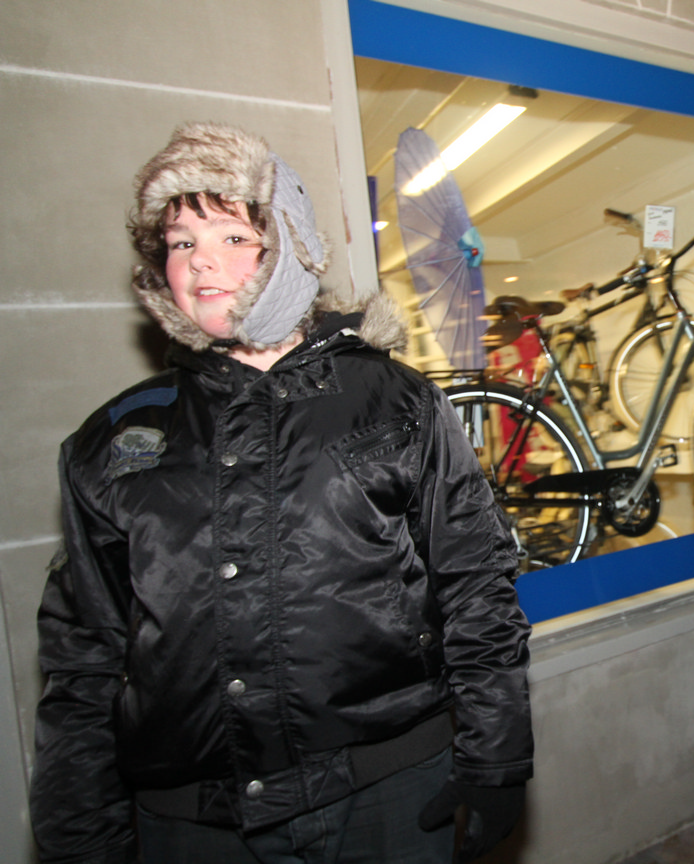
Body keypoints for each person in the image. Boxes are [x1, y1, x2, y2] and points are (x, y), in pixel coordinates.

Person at [28, 122, 533, 863]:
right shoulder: (112, 443)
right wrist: (79, 834)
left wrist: (496, 757)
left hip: (387, 793)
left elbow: (476, 584)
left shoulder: (396, 402)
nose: (201, 261)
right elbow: (84, 656)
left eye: (234, 237)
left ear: (290, 246)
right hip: (195, 824)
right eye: (180, 243)